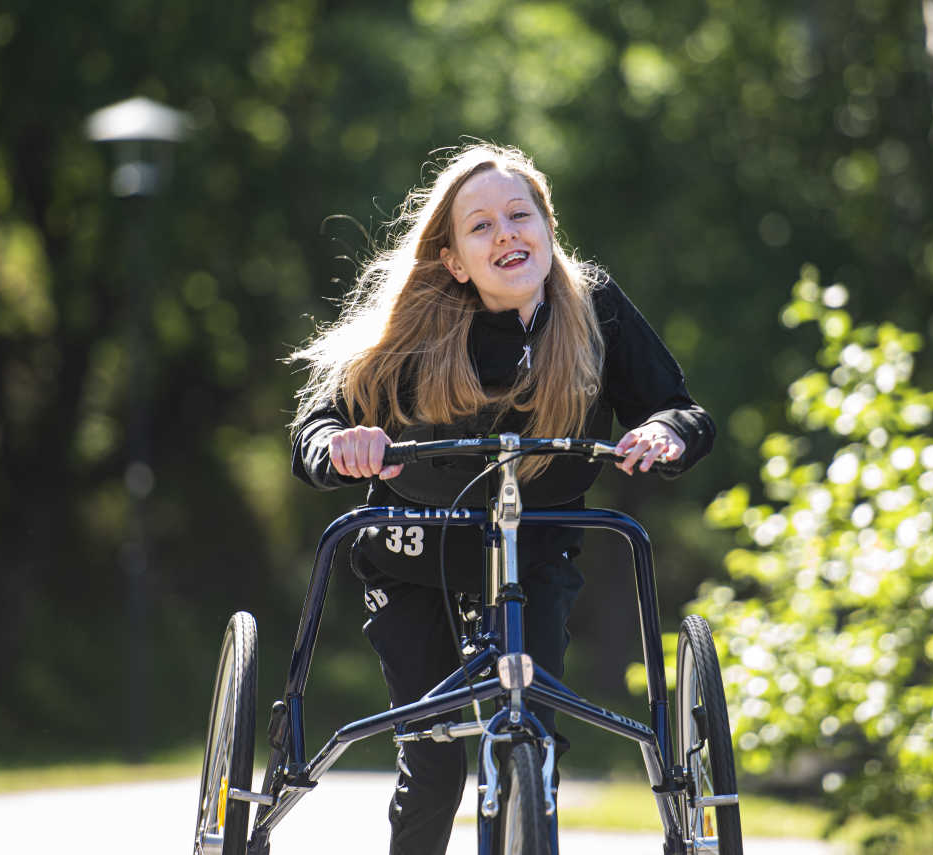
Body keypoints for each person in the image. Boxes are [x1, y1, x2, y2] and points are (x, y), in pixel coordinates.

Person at [288, 142, 714, 855]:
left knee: (534, 736)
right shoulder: (414, 326)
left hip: (535, 545)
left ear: (548, 230)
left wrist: (664, 433)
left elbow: (678, 407)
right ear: (454, 259)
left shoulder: (592, 309)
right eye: (480, 226)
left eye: (521, 215)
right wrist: (343, 444)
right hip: (413, 553)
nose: (506, 233)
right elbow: (317, 426)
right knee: (434, 762)